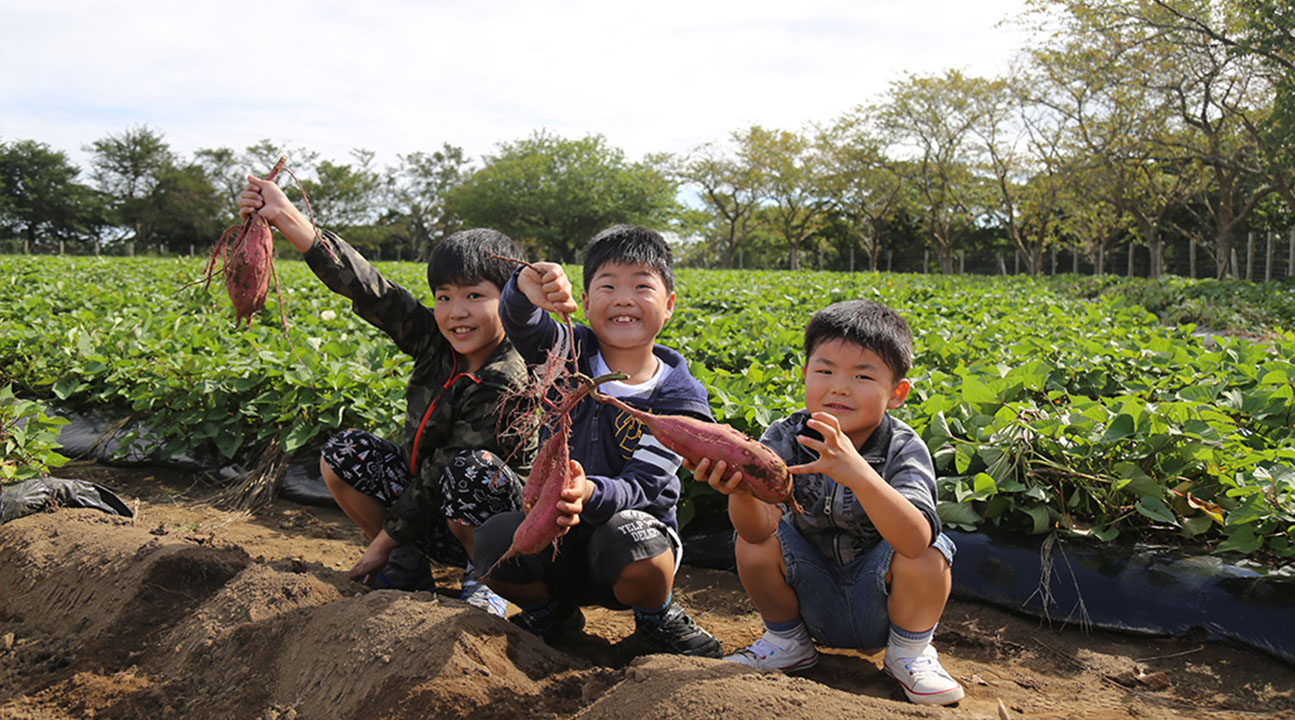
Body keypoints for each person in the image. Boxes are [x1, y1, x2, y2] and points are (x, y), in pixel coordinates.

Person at [237, 176, 536, 618]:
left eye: (475, 296)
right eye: (444, 297)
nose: (456, 312)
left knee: (474, 472)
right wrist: (282, 215)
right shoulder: (435, 342)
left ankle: (487, 578)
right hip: (424, 513)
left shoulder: (509, 376)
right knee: (344, 453)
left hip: (502, 526)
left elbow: (442, 474)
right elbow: (368, 288)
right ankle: (406, 567)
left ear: (511, 300)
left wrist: (378, 544)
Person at [690, 299, 963, 705]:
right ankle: (787, 643)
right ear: (805, 375)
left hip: (883, 603)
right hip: (810, 595)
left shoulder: (903, 447)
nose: (839, 386)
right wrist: (741, 492)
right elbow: (756, 531)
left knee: (932, 549)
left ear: (897, 393)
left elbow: (913, 540)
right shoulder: (784, 436)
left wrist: (858, 473)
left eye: (863, 375)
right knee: (754, 542)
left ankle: (909, 654)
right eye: (825, 370)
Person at [471, 224, 722, 657]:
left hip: (633, 549)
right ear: (585, 303)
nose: (624, 298)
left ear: (670, 306)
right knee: (494, 543)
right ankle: (553, 613)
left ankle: (655, 617)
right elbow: (520, 321)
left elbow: (645, 485)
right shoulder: (566, 352)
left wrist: (588, 492)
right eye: (608, 286)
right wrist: (522, 286)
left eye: (642, 286)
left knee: (630, 534)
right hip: (557, 539)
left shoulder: (680, 396)